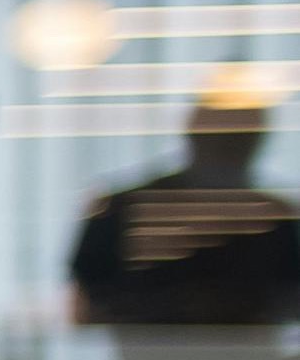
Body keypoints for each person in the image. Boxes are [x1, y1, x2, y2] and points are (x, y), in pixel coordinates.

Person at [65, 84, 291, 326]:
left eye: (240, 137)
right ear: (194, 131)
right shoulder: (122, 210)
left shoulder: (278, 220)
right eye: (223, 136)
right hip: (151, 358)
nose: (228, 147)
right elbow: (89, 304)